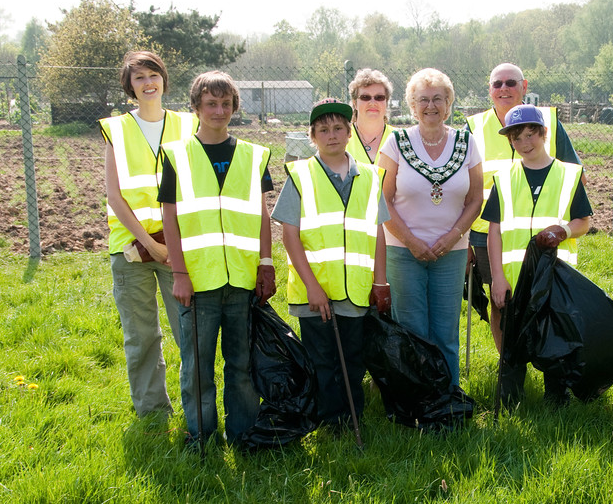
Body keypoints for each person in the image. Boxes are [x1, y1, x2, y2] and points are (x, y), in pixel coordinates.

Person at [158, 71, 276, 447]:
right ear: (195, 108)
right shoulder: (177, 155)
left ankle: (243, 434)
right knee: (197, 367)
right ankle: (202, 436)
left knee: (241, 366)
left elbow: (262, 216)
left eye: (226, 104)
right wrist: (178, 272)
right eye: (211, 103)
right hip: (197, 281)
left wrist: (266, 262)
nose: (219, 110)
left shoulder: (253, 156)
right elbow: (170, 220)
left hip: (241, 281)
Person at [273, 98, 391, 428]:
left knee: (353, 358)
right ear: (312, 136)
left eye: (338, 127)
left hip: (355, 289)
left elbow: (378, 233)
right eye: (323, 130)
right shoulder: (300, 176)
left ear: (350, 132)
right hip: (316, 292)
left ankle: (354, 416)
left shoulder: (370, 177)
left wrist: (380, 282)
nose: (332, 135)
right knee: (322, 359)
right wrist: (313, 286)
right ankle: (331, 421)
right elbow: (290, 236)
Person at [99, 50, 198, 418]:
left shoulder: (188, 125)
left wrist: (170, 245)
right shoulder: (117, 129)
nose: (148, 83)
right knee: (141, 337)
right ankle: (153, 412)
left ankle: (197, 409)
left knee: (189, 332)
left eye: (153, 74)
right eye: (139, 78)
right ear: (130, 87)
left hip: (180, 249)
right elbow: (115, 196)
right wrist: (152, 245)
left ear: (164, 78)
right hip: (130, 249)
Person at [465, 63, 585, 352]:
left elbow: (573, 170)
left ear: (524, 86)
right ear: (489, 90)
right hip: (487, 232)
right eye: (497, 84)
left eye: (511, 82)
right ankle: (508, 359)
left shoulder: (551, 122)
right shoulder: (473, 127)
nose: (503, 89)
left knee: (548, 300)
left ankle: (549, 358)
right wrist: (463, 236)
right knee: (501, 300)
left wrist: (565, 226)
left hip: (544, 234)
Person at [378, 68, 483, 384]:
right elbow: (383, 200)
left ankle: (448, 401)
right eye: (423, 99)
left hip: (450, 253)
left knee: (445, 330)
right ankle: (417, 404)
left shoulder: (467, 143)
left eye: (438, 98)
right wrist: (410, 240)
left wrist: (453, 238)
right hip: (403, 251)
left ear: (449, 102)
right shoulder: (396, 143)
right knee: (412, 331)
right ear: (412, 105)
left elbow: (476, 199)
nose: (431, 106)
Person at [484, 104, 592, 406]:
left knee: (554, 338)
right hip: (515, 278)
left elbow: (583, 221)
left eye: (531, 135)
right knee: (512, 344)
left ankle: (557, 400)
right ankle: (510, 402)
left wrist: (564, 231)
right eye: (517, 138)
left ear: (544, 134)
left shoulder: (569, 175)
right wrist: (497, 278)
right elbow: (495, 231)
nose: (524, 143)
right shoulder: (503, 179)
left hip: (555, 278)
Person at [347, 68, 396, 164]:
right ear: (355, 103)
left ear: (386, 102)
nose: (373, 103)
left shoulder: (399, 138)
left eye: (379, 97)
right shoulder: (342, 138)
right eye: (365, 97)